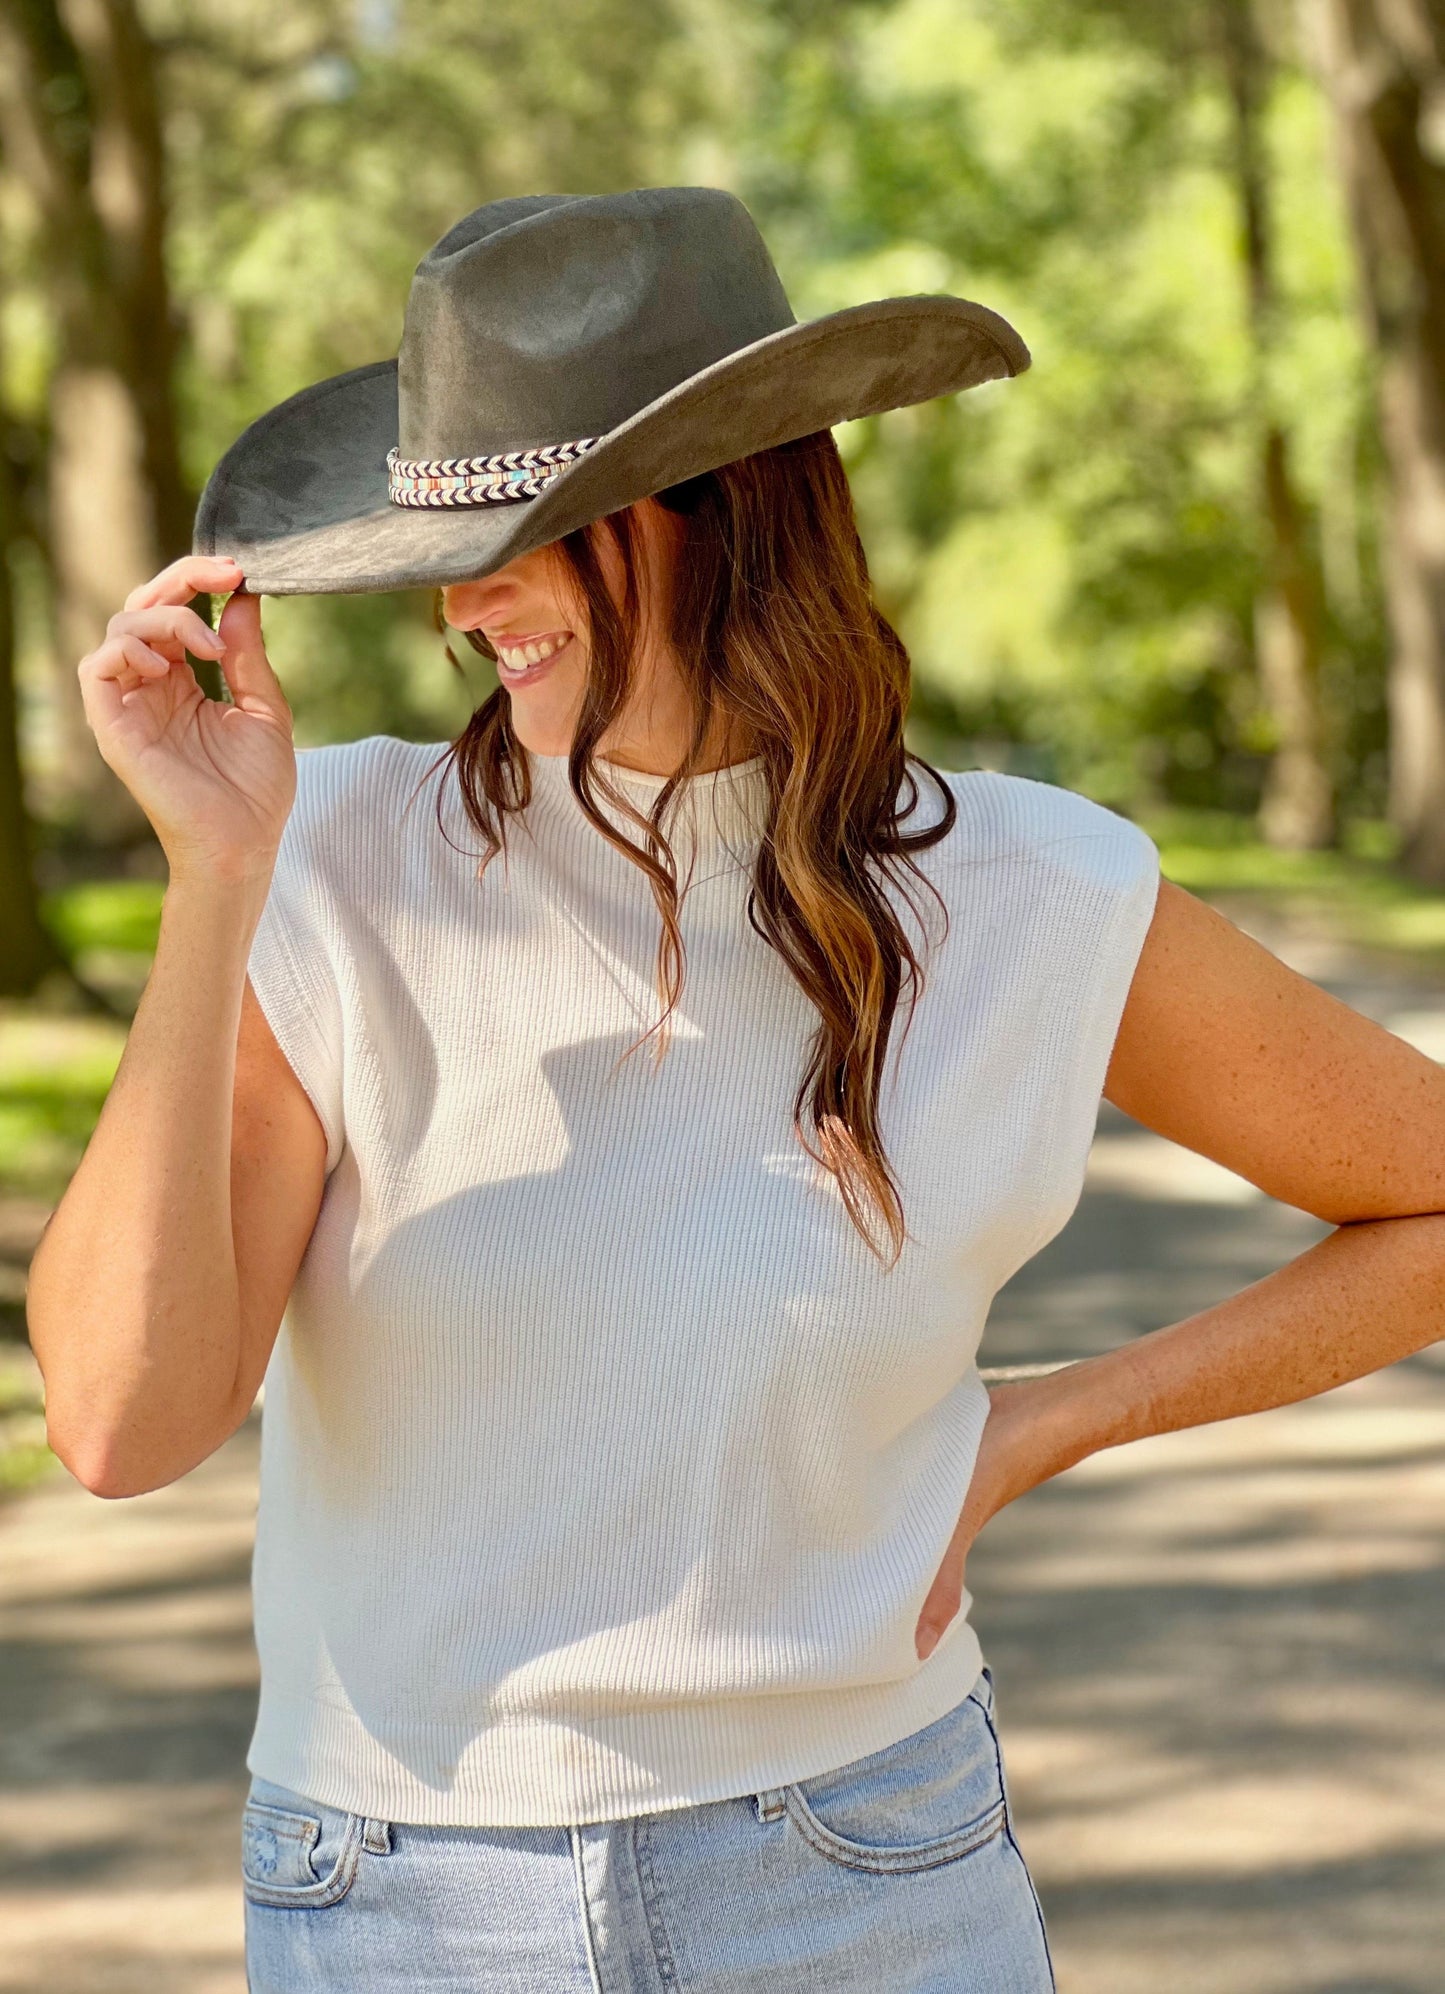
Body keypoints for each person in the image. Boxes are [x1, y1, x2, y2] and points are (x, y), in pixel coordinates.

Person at [26, 188, 1445, 1994]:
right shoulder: (334, 858)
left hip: (862, 1872)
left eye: (528, 534)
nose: (463, 607)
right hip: (398, 1898)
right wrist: (215, 882)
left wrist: (1043, 1423)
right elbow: (121, 1425)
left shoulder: (1027, 891)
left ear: (719, 509)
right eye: (444, 542)